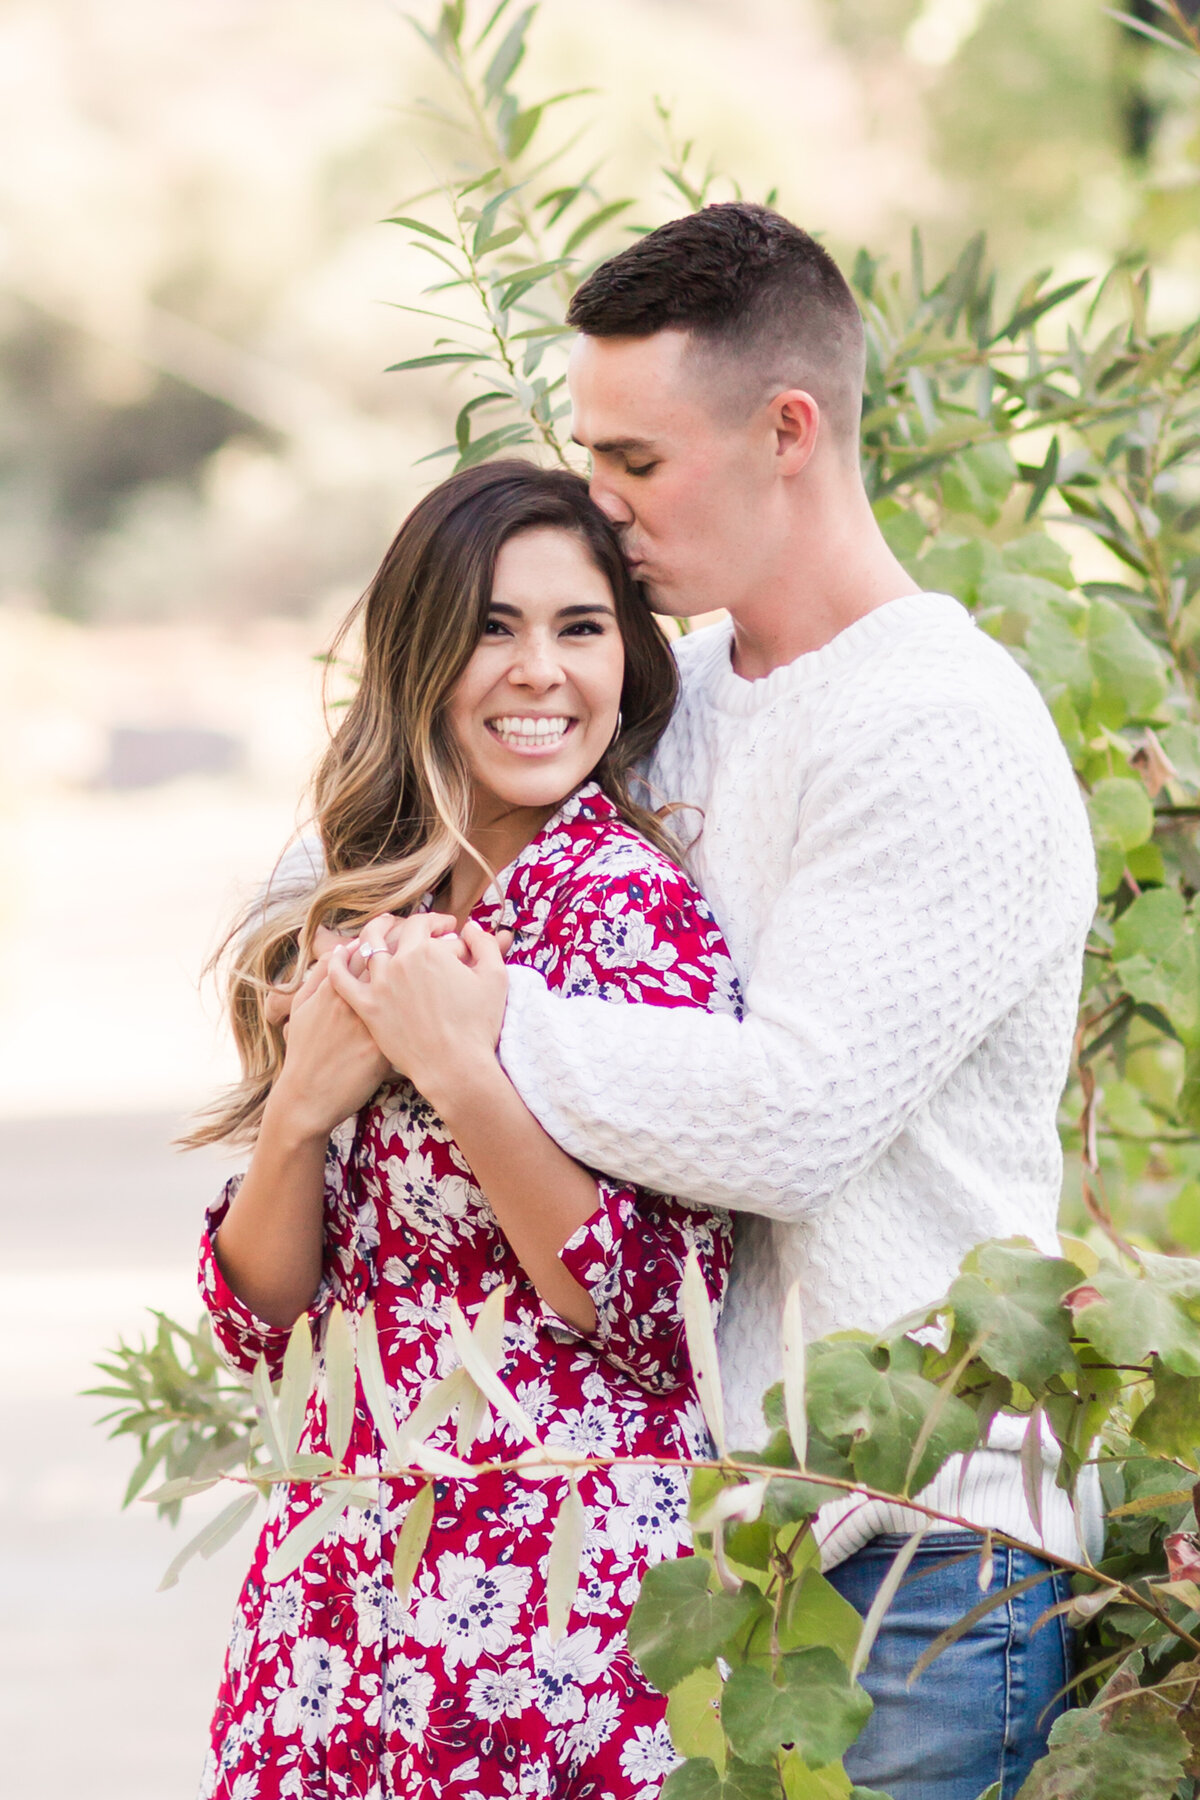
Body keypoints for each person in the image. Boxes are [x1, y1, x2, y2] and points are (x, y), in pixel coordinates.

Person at [378, 205, 1099, 1800]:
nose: (602, 506)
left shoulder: (941, 730)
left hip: (921, 1558)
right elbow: (439, 812)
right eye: (592, 456)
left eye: (637, 461)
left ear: (787, 432)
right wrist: (339, 934)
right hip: (732, 1548)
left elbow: (792, 1119)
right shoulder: (685, 699)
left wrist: (474, 1030)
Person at [189, 460, 739, 1800]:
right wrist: (303, 1113)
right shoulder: (351, 909)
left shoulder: (625, 910)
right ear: (423, 653)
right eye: (494, 627)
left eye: (580, 628)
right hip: (337, 1612)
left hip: (553, 1623)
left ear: (629, 661)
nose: (538, 673)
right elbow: (268, 1327)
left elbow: (657, 1317)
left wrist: (461, 1073)